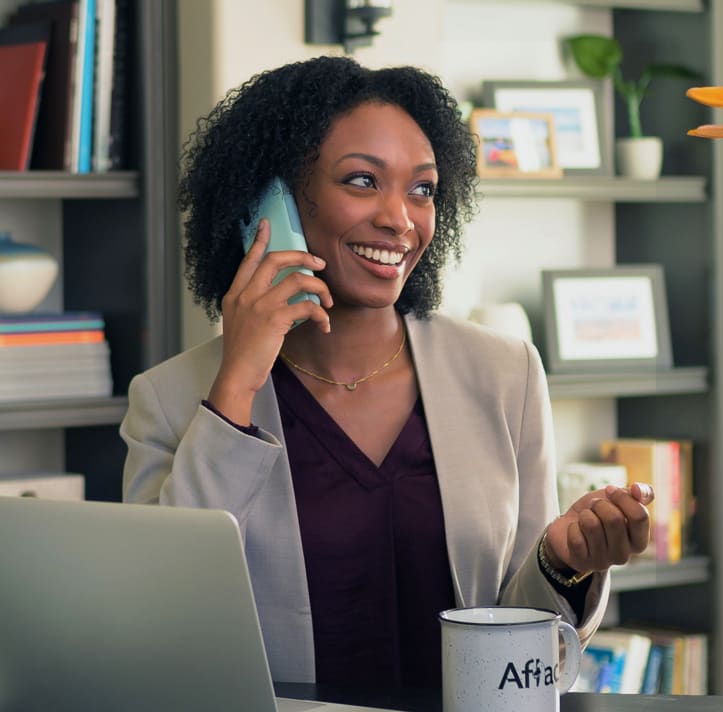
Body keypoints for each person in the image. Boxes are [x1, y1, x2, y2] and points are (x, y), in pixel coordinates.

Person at [120, 55, 653, 694]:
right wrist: (236, 384)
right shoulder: (172, 399)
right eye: (362, 181)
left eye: (422, 189)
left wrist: (563, 562)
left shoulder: (505, 375)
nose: (400, 218)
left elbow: (520, 640)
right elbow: (160, 613)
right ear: (270, 200)